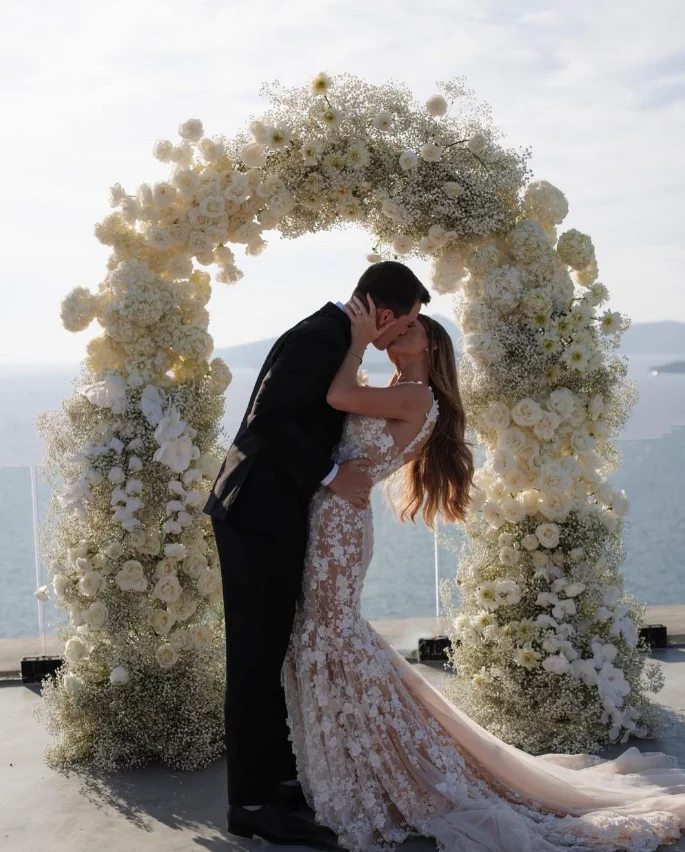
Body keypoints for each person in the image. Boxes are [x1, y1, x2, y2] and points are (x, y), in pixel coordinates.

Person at [280, 298, 685, 852]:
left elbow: (336, 397)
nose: (401, 328)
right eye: (402, 321)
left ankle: (381, 768)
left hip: (341, 529)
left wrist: (354, 341)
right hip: (334, 517)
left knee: (331, 634)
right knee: (326, 634)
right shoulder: (400, 390)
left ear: (431, 347)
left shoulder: (416, 395)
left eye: (414, 325)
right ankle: (367, 761)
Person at [204, 261, 431, 844]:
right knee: (254, 660)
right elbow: (269, 419)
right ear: (383, 313)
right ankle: (250, 805)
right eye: (403, 321)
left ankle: (279, 780)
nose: (398, 334)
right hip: (257, 516)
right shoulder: (321, 338)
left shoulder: (335, 338)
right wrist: (331, 474)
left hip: (276, 517)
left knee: (274, 651)